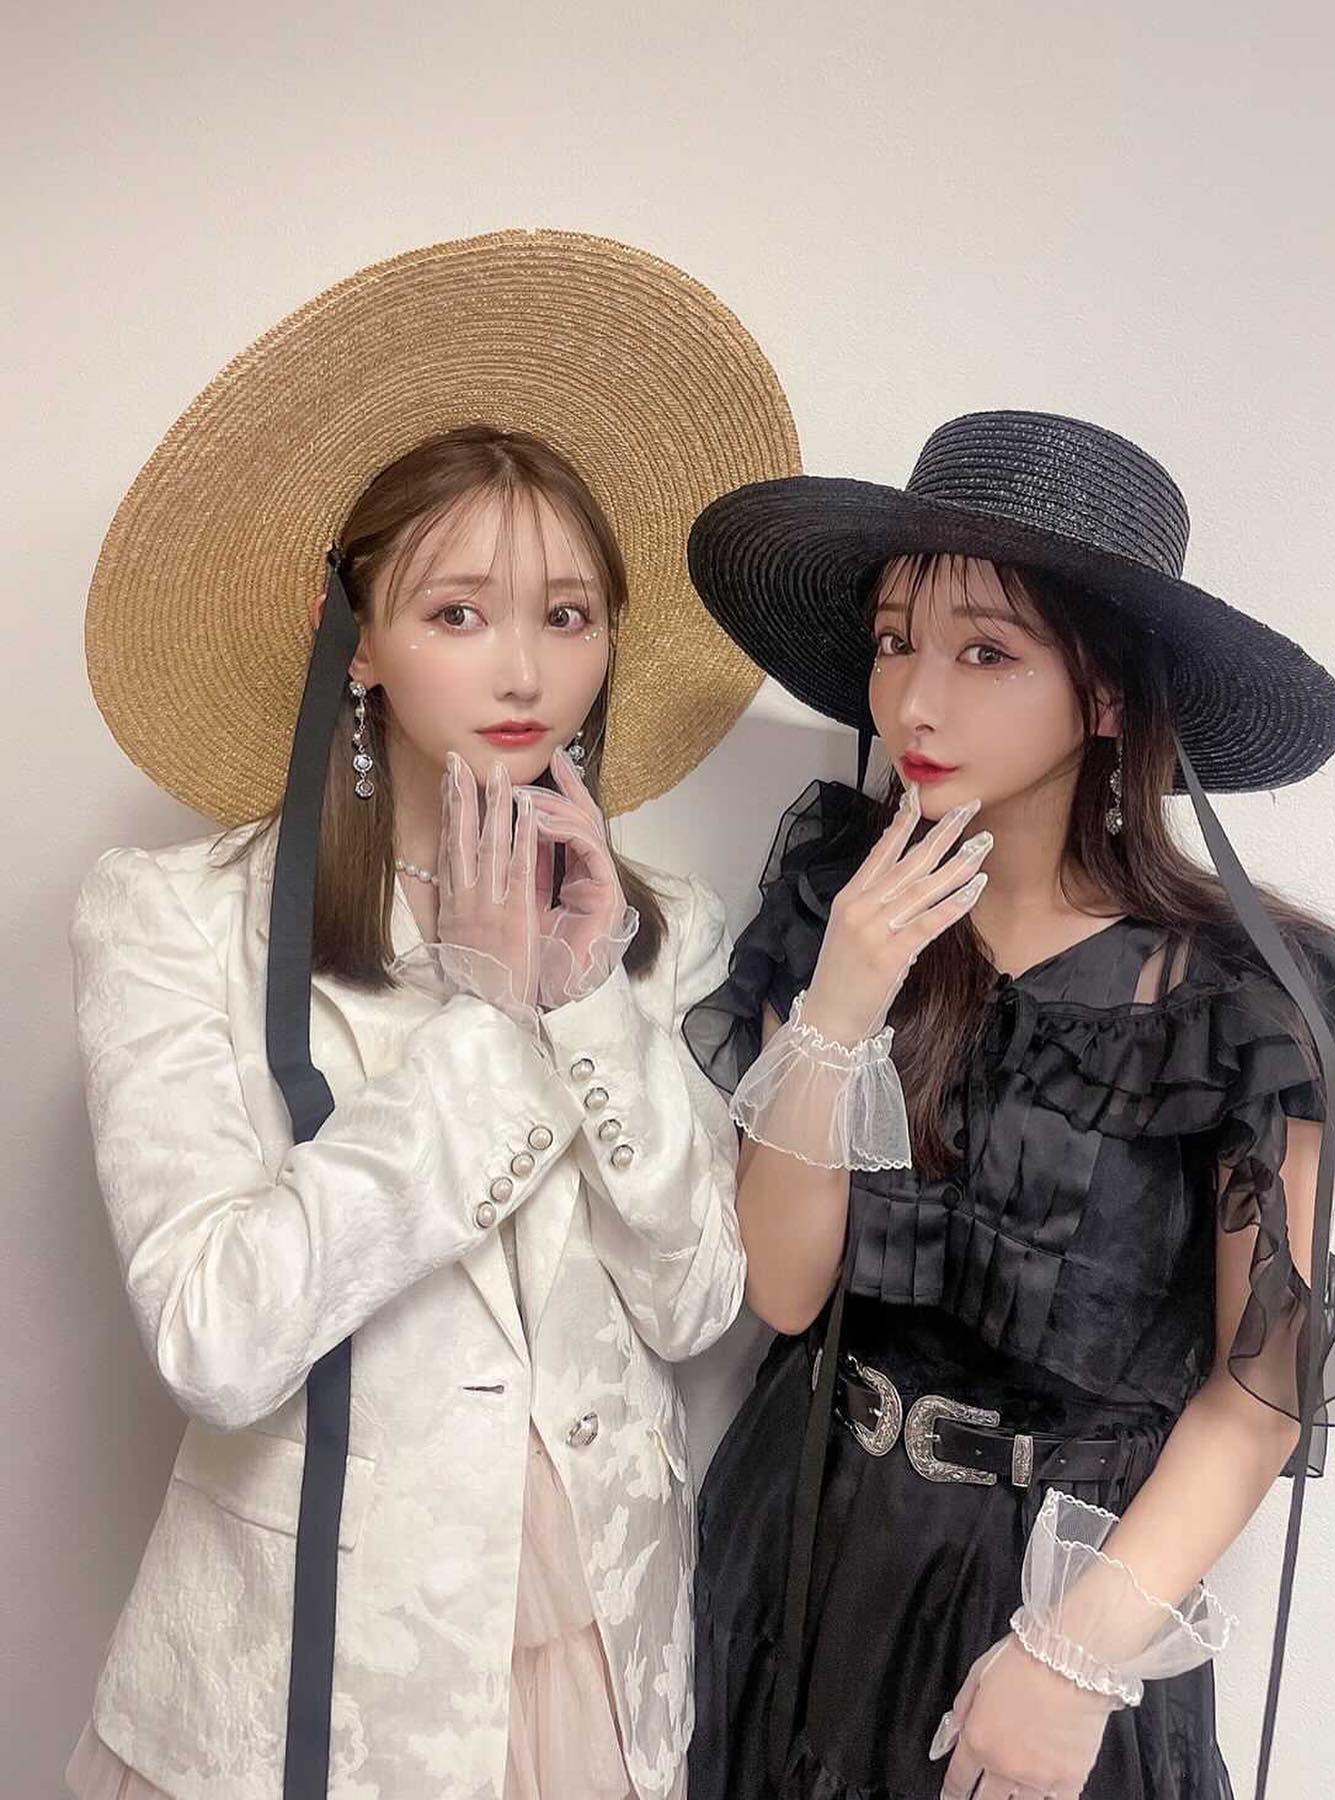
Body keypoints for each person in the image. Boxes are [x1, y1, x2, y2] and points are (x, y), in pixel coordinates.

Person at [65, 232, 800, 1800]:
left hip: (598, 1650)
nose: (527, 670)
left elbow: (697, 1310)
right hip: (315, 1679)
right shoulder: (177, 918)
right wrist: (480, 1022)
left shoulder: (661, 921)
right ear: (358, 647)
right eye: (460, 613)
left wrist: (585, 1000)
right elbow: (215, 1335)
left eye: (569, 615)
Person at [681, 410, 1335, 1799]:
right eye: (895, 641)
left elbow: (1259, 1395)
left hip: (1061, 1592)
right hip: (809, 1545)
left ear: (1109, 699)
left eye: (986, 654)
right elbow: (783, 1289)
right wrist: (842, 1003)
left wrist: (1075, 1656)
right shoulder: (838, 907)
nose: (915, 702)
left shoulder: (1243, 1008)